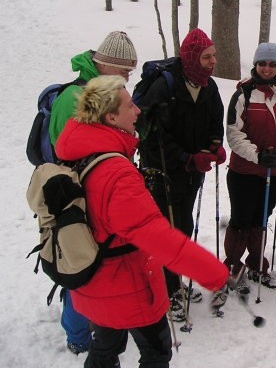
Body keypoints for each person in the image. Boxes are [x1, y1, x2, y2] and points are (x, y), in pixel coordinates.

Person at [55, 75, 229, 368]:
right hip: (127, 285)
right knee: (157, 352)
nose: (137, 111)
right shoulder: (116, 173)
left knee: (106, 346)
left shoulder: (78, 151)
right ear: (111, 116)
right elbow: (161, 239)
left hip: (93, 281)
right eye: (130, 105)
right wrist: (215, 273)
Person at [48, 30, 138, 355]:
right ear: (107, 66)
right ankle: (78, 335)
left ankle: (91, 324)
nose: (128, 78)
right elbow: (63, 152)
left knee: (95, 266)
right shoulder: (73, 99)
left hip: (101, 197)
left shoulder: (108, 93)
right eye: (125, 71)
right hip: (78, 199)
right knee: (82, 268)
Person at [136, 28, 226, 322]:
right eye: (207, 57)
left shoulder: (208, 87)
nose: (212, 61)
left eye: (214, 56)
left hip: (190, 174)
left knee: (183, 227)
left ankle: (174, 283)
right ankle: (167, 289)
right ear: (191, 56)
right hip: (162, 172)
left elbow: (215, 121)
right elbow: (153, 137)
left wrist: (214, 146)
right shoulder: (166, 86)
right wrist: (188, 158)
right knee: (167, 232)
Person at [220, 42, 276, 300]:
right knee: (241, 221)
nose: (267, 68)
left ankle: (257, 266)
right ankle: (232, 268)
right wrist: (258, 155)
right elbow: (233, 134)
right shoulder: (243, 94)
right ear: (255, 64)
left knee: (260, 221)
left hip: (275, 173)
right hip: (244, 171)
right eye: (263, 63)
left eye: (273, 64)